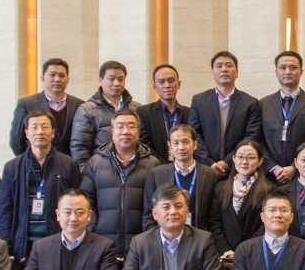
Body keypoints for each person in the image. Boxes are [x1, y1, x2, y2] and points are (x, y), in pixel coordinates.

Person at [0, 110, 83, 264]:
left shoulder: (68, 165)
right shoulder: (12, 167)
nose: (39, 132)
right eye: (34, 127)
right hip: (23, 246)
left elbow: (78, 205)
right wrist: (5, 248)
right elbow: (4, 211)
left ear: (53, 133)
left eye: (44, 127)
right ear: (26, 133)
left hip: (58, 244)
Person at [80, 110, 160, 258]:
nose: (125, 131)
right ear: (112, 132)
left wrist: (150, 236)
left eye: (131, 126)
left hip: (141, 246)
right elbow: (86, 201)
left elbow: (156, 204)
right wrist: (93, 231)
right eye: (120, 126)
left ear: (138, 132)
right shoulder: (95, 163)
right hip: (103, 245)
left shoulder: (152, 164)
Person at [189, 51, 263, 177]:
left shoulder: (250, 102)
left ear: (237, 72)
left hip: (239, 168)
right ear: (212, 73)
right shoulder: (199, 100)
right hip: (205, 169)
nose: (224, 69)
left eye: (229, 65)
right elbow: (194, 135)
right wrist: (209, 163)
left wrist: (227, 162)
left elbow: (252, 136)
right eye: (219, 66)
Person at [259, 51, 305, 186]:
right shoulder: (263, 104)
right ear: (276, 72)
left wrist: (295, 167)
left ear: (301, 72)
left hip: (304, 175)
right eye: (283, 67)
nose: (288, 72)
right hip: (270, 176)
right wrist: (273, 167)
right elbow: (258, 140)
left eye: (293, 67)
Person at [142, 124, 220, 232]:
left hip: (201, 238)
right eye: (176, 143)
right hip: (166, 237)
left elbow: (215, 217)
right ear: (170, 146)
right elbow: (149, 215)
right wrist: (157, 240)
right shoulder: (156, 175)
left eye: (186, 142)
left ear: (195, 144)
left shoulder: (211, 175)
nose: (181, 147)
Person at [70, 60, 142, 171]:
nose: (116, 83)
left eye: (120, 79)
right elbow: (79, 147)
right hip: (101, 170)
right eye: (111, 79)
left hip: (133, 168)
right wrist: (86, 173)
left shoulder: (136, 108)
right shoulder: (87, 110)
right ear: (100, 80)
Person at [209, 141, 274, 257]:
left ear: (260, 161)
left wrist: (246, 250)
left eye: (250, 158)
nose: (244, 162)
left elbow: (268, 224)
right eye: (240, 157)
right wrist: (225, 250)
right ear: (234, 159)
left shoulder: (269, 189)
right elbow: (214, 222)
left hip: (255, 253)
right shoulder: (220, 188)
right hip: (225, 255)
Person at [9, 58, 84, 157]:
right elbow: (16, 140)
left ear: (67, 80)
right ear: (43, 78)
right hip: (37, 162)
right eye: (52, 75)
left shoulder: (80, 105)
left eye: (61, 75)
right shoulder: (26, 104)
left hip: (70, 163)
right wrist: (28, 161)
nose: (57, 79)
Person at [138, 64, 190, 164]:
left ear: (179, 84)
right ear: (155, 87)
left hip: (184, 166)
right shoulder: (143, 112)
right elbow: (144, 145)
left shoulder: (190, 113)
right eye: (161, 82)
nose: (167, 85)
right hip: (155, 167)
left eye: (171, 80)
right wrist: (164, 167)